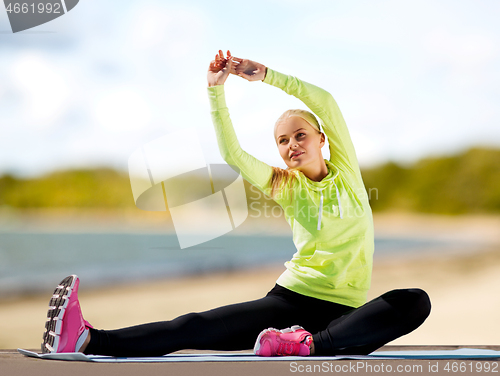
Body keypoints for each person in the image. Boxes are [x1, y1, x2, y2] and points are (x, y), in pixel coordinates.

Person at [40, 50, 431, 357]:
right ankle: (87, 339)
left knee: (415, 302)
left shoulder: (346, 170)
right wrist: (216, 89)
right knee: (193, 326)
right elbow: (233, 154)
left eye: (300, 135)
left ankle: (307, 345)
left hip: (346, 316)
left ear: (322, 139)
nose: (292, 145)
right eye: (282, 141)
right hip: (290, 303)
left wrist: (265, 76)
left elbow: (325, 101)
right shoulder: (285, 185)